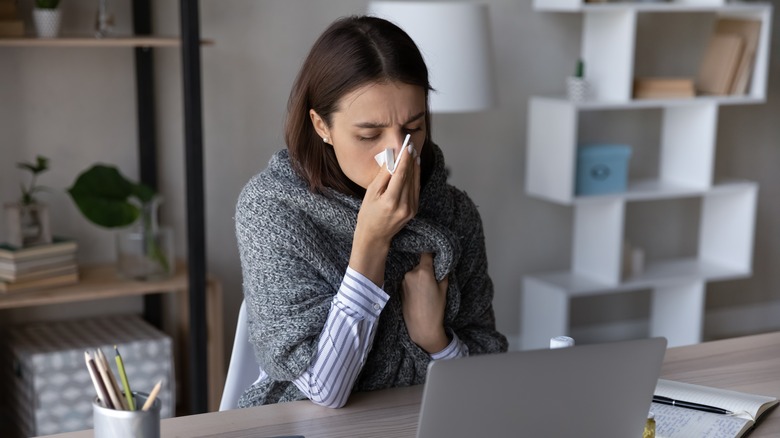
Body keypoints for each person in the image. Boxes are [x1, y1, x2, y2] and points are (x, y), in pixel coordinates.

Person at [234, 15, 508, 409]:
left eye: (413, 127)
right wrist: (372, 242)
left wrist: (436, 341)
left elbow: (488, 378)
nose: (398, 154)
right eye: (369, 135)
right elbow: (324, 392)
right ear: (321, 126)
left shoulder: (454, 212)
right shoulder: (274, 212)